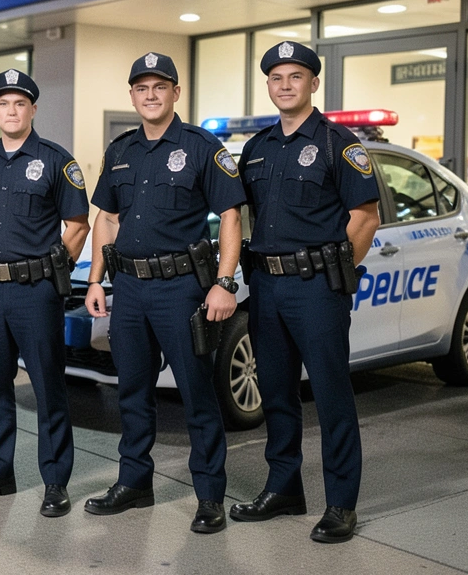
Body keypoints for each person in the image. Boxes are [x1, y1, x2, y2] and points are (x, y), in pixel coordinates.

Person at [83, 52, 245, 534]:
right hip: (129, 289)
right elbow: (107, 218)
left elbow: (230, 216)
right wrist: (96, 280)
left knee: (197, 394)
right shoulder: (120, 150)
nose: (150, 95)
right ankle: (134, 483)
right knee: (132, 392)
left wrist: (224, 282)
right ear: (132, 95)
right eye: (142, 88)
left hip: (181, 288)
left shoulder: (201, 146)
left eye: (159, 87)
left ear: (176, 92)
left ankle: (210, 496)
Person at [229, 41, 380, 543]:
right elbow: (237, 213)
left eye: (295, 76)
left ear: (314, 83)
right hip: (265, 285)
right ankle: (284, 488)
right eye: (276, 78)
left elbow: (365, 218)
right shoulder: (257, 148)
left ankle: (341, 504)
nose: (285, 85)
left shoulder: (340, 144)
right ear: (268, 86)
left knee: (332, 395)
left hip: (317, 288)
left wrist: (334, 272)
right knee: (276, 393)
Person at [0, 69, 89, 517]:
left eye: (19, 103)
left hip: (37, 292)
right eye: (3, 104)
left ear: (32, 109)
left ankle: (55, 482)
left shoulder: (56, 160)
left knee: (49, 388)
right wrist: (1, 256)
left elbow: (77, 226)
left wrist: (46, 268)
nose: (11, 111)